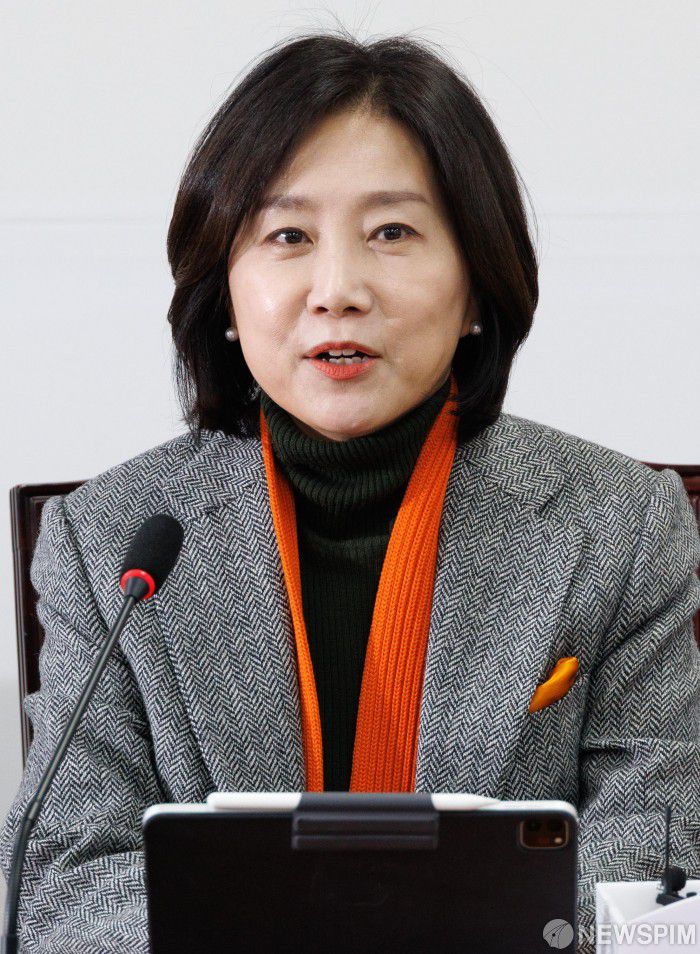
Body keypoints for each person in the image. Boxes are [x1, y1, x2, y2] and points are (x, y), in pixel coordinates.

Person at [1, 28, 699, 954]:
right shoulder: (110, 543)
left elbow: (660, 858)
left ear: (477, 285)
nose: (338, 289)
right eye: (288, 236)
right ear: (226, 291)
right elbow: (60, 881)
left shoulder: (620, 525)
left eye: (392, 233)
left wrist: (333, 918)